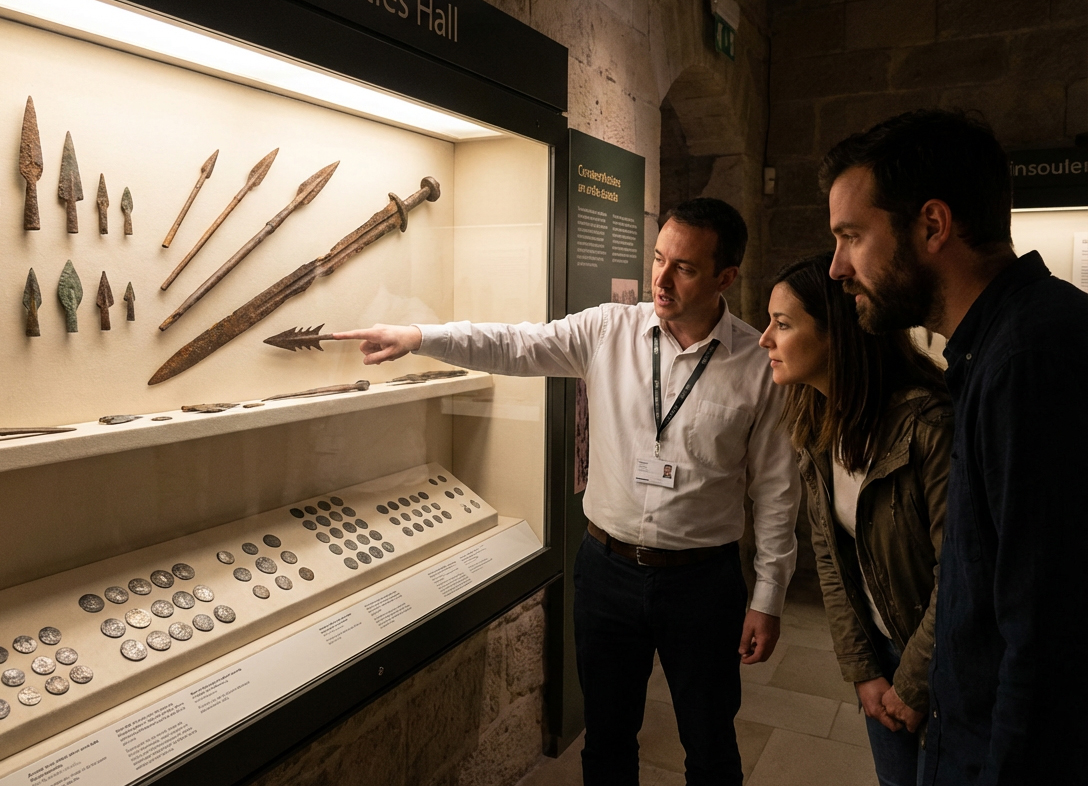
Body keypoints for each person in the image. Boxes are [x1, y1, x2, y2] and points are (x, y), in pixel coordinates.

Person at [335, 198, 800, 786]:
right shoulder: (610, 329)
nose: (661, 279)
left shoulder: (757, 365)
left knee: (709, 745)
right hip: (608, 573)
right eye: (658, 257)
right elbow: (514, 344)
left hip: (701, 584)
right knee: (606, 738)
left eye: (683, 268)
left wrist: (768, 596)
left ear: (724, 277)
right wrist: (419, 335)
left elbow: (777, 489)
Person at [822, 108, 1088, 785]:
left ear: (933, 226)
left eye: (852, 236)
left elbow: (1044, 638)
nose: (838, 267)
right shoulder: (1000, 348)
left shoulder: (1028, 358)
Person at [759, 253, 950, 785]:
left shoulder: (929, 426)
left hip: (941, 663)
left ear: (836, 335)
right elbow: (830, 555)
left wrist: (912, 684)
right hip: (884, 654)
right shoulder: (820, 421)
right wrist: (864, 669)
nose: (765, 339)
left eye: (782, 324)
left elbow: (960, 576)